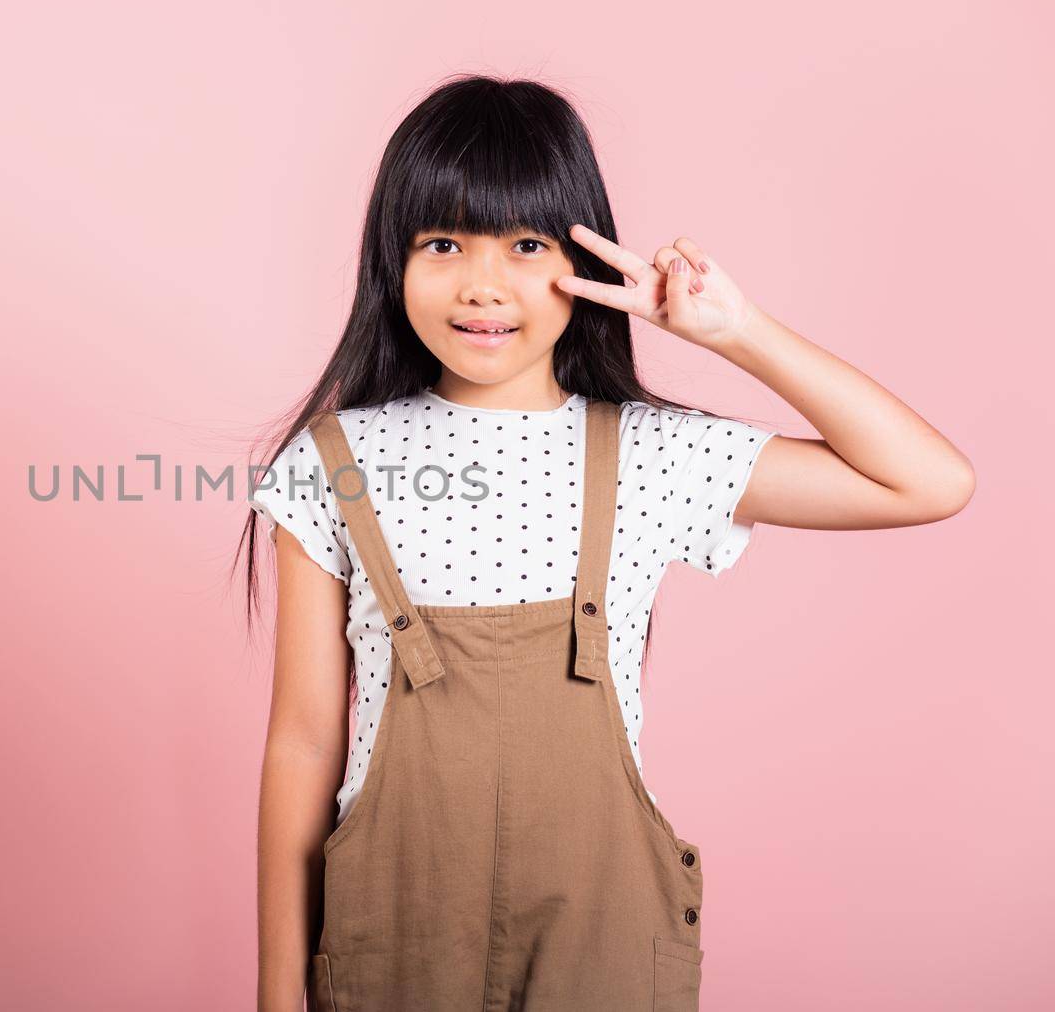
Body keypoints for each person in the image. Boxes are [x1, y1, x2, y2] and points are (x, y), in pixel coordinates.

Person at [242, 75, 974, 1012]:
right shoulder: (332, 459)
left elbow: (928, 481)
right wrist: (276, 989)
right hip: (394, 935)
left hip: (602, 940)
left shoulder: (652, 451)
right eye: (442, 243)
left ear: (579, 258)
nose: (483, 284)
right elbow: (303, 743)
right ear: (393, 260)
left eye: (526, 245)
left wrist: (734, 332)